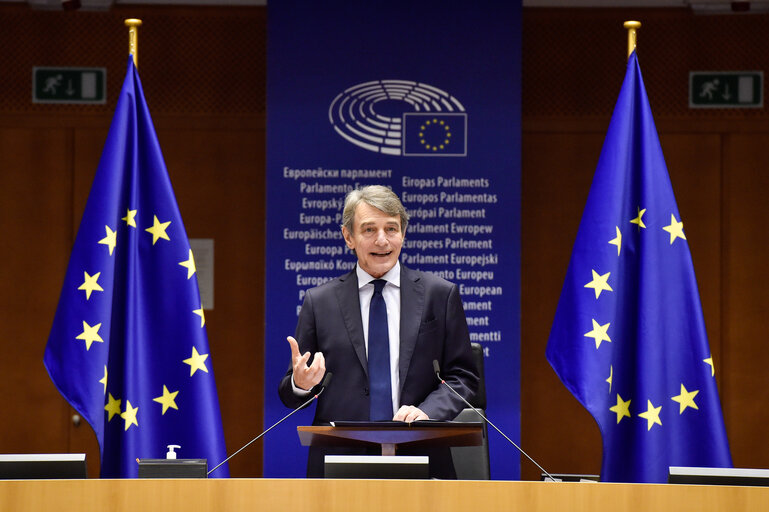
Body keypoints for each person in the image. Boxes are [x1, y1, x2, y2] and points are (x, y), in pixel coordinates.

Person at [278, 185, 479, 478]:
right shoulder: (319, 302)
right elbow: (290, 395)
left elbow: (464, 378)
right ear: (349, 237)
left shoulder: (440, 295)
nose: (382, 240)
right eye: (369, 229)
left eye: (391, 228)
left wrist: (428, 412)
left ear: (403, 234)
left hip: (422, 454)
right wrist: (301, 383)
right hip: (339, 462)